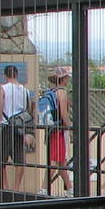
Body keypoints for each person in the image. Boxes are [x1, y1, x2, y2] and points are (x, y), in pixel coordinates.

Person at [0, 63, 32, 193]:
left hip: (5, 126)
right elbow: (29, 110)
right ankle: (16, 188)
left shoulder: (3, 88)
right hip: (20, 127)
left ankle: (5, 186)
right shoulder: (26, 91)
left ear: (5, 75)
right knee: (19, 159)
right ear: (17, 74)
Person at [43, 67, 72, 195]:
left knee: (61, 161)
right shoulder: (62, 92)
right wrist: (69, 127)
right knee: (55, 161)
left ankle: (70, 188)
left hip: (51, 130)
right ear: (63, 78)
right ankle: (43, 188)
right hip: (60, 130)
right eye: (67, 77)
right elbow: (64, 113)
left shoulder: (50, 91)